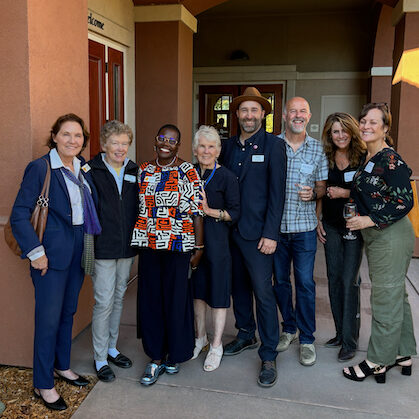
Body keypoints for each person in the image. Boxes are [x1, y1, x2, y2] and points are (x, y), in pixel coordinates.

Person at [10, 114, 101, 411]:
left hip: (79, 248)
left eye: (78, 136)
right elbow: (20, 215)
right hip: (50, 253)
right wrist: (36, 253)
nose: (73, 141)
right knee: (48, 320)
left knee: (68, 312)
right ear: (54, 136)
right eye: (66, 135)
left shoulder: (81, 166)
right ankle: (43, 383)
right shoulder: (41, 168)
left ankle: (62, 365)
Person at [343, 103, 416, 383]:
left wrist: (368, 220)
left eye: (374, 122)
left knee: (384, 297)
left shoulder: (390, 160)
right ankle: (403, 353)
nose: (366, 126)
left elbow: (404, 202)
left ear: (386, 128)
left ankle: (377, 360)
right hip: (380, 235)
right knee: (396, 294)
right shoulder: (369, 157)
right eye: (363, 121)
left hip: (391, 235)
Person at [219, 87, 287, 387]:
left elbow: (277, 194)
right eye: (244, 111)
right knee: (238, 288)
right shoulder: (228, 146)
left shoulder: (274, 146)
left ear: (263, 114)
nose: (249, 115)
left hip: (259, 234)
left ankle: (269, 352)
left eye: (254, 110)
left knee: (264, 292)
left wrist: (271, 233)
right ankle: (245, 333)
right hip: (228, 231)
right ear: (237, 115)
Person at [131, 124, 204, 386]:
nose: (166, 143)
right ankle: (155, 356)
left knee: (175, 300)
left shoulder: (188, 171)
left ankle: (175, 353)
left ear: (178, 145)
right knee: (151, 300)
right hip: (150, 245)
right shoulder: (143, 170)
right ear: (155, 140)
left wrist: (199, 247)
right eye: (162, 138)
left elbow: (197, 213)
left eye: (172, 140)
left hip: (179, 245)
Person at [273, 97, 328, 366]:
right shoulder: (273, 145)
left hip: (304, 228)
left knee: (305, 283)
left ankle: (307, 338)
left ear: (308, 116)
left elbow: (322, 188)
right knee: (280, 283)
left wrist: (315, 193)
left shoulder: (318, 149)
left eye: (302, 111)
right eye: (292, 110)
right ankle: (289, 329)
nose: (297, 115)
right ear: (284, 115)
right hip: (276, 229)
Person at [88, 121, 139, 382]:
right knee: (104, 301)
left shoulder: (134, 170)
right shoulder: (91, 170)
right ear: (104, 145)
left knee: (119, 298)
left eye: (124, 143)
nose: (120, 148)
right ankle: (98, 357)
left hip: (127, 247)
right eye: (115, 143)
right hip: (103, 247)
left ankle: (111, 348)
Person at [316, 112, 366, 362]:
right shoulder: (327, 157)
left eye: (344, 130)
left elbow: (369, 193)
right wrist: (318, 219)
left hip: (355, 228)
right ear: (329, 134)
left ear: (352, 131)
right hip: (332, 226)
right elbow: (322, 191)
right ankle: (339, 333)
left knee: (349, 281)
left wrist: (346, 193)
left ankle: (350, 340)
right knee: (334, 279)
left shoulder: (364, 157)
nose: (340, 135)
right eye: (335, 131)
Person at [191, 125, 240, 372]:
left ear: (219, 150)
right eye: (202, 146)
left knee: (218, 296)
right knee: (198, 294)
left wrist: (210, 211)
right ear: (195, 149)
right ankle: (200, 338)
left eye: (211, 146)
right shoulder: (188, 173)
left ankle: (216, 345)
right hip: (192, 245)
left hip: (218, 245)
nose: (206, 151)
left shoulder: (227, 177)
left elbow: (236, 213)